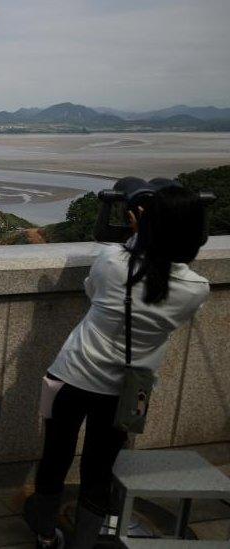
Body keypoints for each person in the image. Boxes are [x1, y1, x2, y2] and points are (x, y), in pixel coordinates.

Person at [25, 183, 210, 549]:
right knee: (98, 470)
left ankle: (45, 535)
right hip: (126, 391)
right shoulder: (196, 287)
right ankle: (85, 541)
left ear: (143, 221)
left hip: (73, 376)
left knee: (55, 457)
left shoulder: (112, 261)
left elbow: (93, 292)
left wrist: (137, 240)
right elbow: (170, 290)